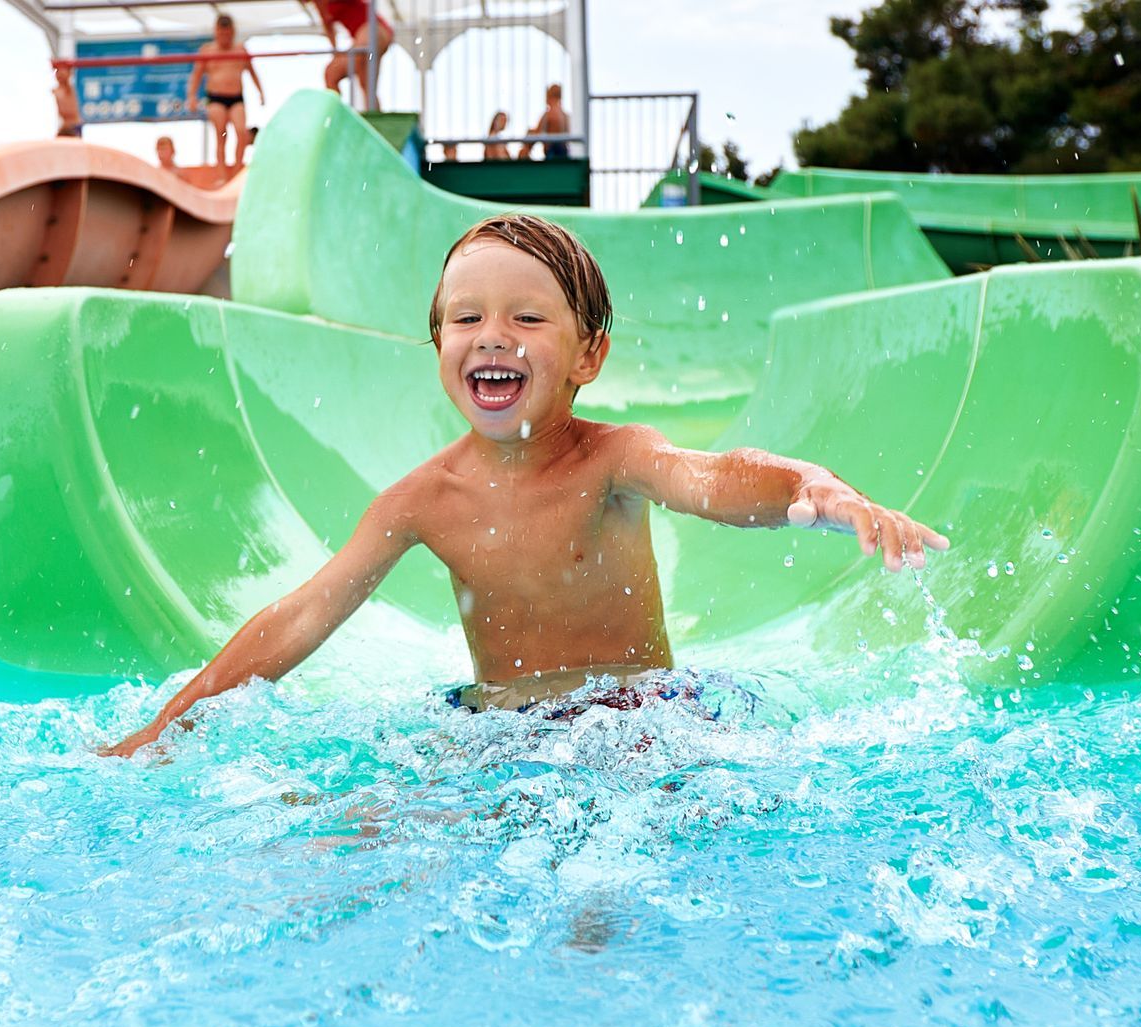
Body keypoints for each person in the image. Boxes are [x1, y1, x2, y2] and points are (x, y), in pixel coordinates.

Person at [100, 214, 948, 755]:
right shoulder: (419, 501)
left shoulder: (614, 459)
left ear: (589, 354)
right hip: (496, 731)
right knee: (359, 826)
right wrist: (166, 725)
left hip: (642, 717)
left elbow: (713, 481)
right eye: (466, 319)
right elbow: (300, 616)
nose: (492, 337)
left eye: (528, 318)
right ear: (438, 345)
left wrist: (814, 487)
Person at [184, 15, 264, 170]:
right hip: (216, 98)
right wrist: (191, 97)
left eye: (228, 34)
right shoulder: (207, 50)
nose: (225, 38)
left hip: (236, 98)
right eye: (222, 34)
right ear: (216, 32)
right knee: (222, 134)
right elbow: (196, 76)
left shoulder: (240, 49)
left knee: (242, 133)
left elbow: (252, 72)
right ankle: (222, 175)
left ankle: (237, 168)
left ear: (233, 32)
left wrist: (260, 92)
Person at [312, 0, 395, 96]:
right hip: (371, 34)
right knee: (364, 85)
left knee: (365, 83)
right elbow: (328, 25)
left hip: (371, 29)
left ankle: (338, 109)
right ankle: (370, 109)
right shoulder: (319, 4)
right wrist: (335, 51)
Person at [530, 84, 570, 160]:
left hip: (552, 153)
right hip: (564, 152)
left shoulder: (548, 115)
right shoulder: (565, 116)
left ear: (549, 96)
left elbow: (537, 133)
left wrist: (529, 134)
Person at [53, 65, 81, 139]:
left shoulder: (69, 89)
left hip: (73, 126)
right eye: (57, 71)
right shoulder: (56, 91)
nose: (59, 74)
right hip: (65, 127)